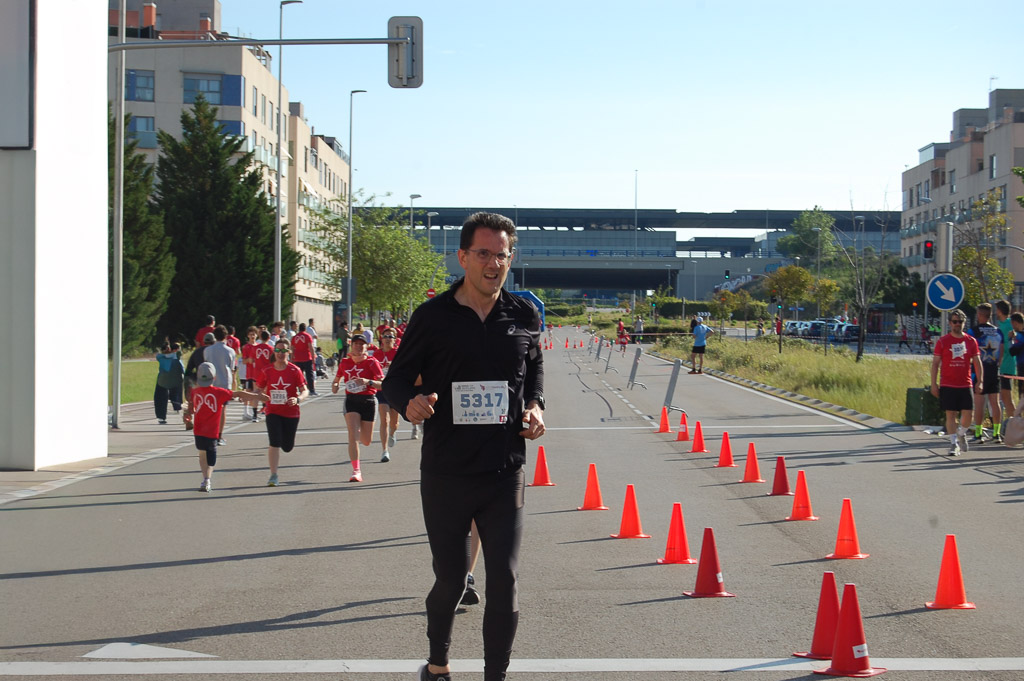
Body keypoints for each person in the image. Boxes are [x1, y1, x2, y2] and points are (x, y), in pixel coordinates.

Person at [382, 211, 545, 681]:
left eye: (502, 254)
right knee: (451, 580)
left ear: (511, 258)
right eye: (483, 254)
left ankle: (496, 675)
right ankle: (437, 665)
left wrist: (536, 407)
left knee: (506, 581)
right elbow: (393, 381)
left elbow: (533, 373)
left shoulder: (523, 314)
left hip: (503, 468)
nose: (493, 263)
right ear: (463, 257)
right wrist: (409, 402)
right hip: (447, 471)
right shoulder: (433, 317)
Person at [184, 362, 252, 493]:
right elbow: (237, 394)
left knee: (202, 454)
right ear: (214, 378)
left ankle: (206, 479)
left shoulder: (195, 392)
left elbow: (191, 409)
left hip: (198, 430)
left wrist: (187, 415)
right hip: (212, 432)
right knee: (210, 458)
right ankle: (207, 479)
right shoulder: (219, 392)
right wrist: (257, 397)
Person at [254, 337, 308, 486]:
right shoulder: (267, 370)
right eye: (278, 350)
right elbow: (258, 389)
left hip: (291, 412)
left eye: (284, 350)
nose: (280, 353)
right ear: (274, 352)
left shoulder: (294, 370)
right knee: (274, 442)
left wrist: (298, 399)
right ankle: (273, 475)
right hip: (272, 410)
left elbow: (305, 390)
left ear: (289, 352)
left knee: (287, 446)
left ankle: (286, 445)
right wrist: (257, 396)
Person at [930, 309, 984, 456]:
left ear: (964, 323)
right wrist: (934, 384)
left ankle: (961, 433)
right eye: (954, 321)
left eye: (960, 322)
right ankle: (953, 444)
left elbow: (977, 362)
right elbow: (935, 364)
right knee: (951, 415)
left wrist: (980, 381)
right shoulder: (943, 341)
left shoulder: (970, 341)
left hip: (965, 384)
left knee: (968, 416)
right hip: (948, 384)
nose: (957, 324)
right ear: (950, 323)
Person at [332, 334, 384, 482]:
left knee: (366, 441)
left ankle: (359, 429)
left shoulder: (372, 362)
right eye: (356, 344)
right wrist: (335, 386)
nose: (358, 347)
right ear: (351, 345)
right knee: (352, 435)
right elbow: (336, 381)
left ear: (366, 346)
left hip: (368, 400)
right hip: (351, 401)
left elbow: (383, 384)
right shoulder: (345, 362)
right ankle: (356, 471)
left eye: (362, 344)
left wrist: (368, 382)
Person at [968, 303, 1003, 443]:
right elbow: (1002, 351)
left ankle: (978, 434)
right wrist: (997, 364)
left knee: (979, 403)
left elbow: (969, 350)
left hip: (979, 371)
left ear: (980, 315)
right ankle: (997, 434)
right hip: (994, 370)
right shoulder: (998, 331)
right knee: (995, 403)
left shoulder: (973, 331)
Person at [202, 325, 237, 445]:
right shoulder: (230, 351)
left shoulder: (207, 350)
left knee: (210, 407)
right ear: (226, 336)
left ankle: (210, 433)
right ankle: (219, 435)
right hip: (224, 382)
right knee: (222, 409)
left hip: (211, 381)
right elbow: (232, 368)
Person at [373, 330, 401, 463]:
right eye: (385, 336)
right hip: (381, 390)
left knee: (394, 423)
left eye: (391, 336)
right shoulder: (376, 355)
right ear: (381, 339)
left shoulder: (398, 353)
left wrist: (394, 366)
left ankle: (392, 433)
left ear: (395, 339)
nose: (388, 338)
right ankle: (385, 451)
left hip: (395, 390)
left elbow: (405, 369)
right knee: (385, 419)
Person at [183, 333, 215, 430]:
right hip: (210, 380)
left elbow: (189, 369)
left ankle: (188, 419)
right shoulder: (213, 351)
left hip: (196, 379)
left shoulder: (197, 352)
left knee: (192, 401)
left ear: (204, 341)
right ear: (213, 342)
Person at [995, 299, 1016, 418]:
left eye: (996, 310)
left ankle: (1015, 424)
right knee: (1003, 397)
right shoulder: (1001, 325)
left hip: (1007, 365)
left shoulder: (1008, 325)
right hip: (1002, 366)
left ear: (1000, 311)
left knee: (1007, 397)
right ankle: (1010, 423)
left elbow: (1009, 347)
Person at [154, 342, 184, 424]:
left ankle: (161, 416)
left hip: (163, 379)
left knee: (160, 395)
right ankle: (178, 406)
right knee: (177, 390)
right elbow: (182, 369)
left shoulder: (161, 357)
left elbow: (159, 356)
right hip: (175, 379)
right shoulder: (176, 357)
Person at [291, 322, 318, 396]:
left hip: (297, 359)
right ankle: (311, 390)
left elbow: (292, 348)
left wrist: (292, 358)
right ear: (305, 329)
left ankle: (299, 390)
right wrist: (313, 357)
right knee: (309, 375)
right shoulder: (307, 336)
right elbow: (310, 347)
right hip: (307, 358)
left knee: (299, 376)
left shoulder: (294, 337)